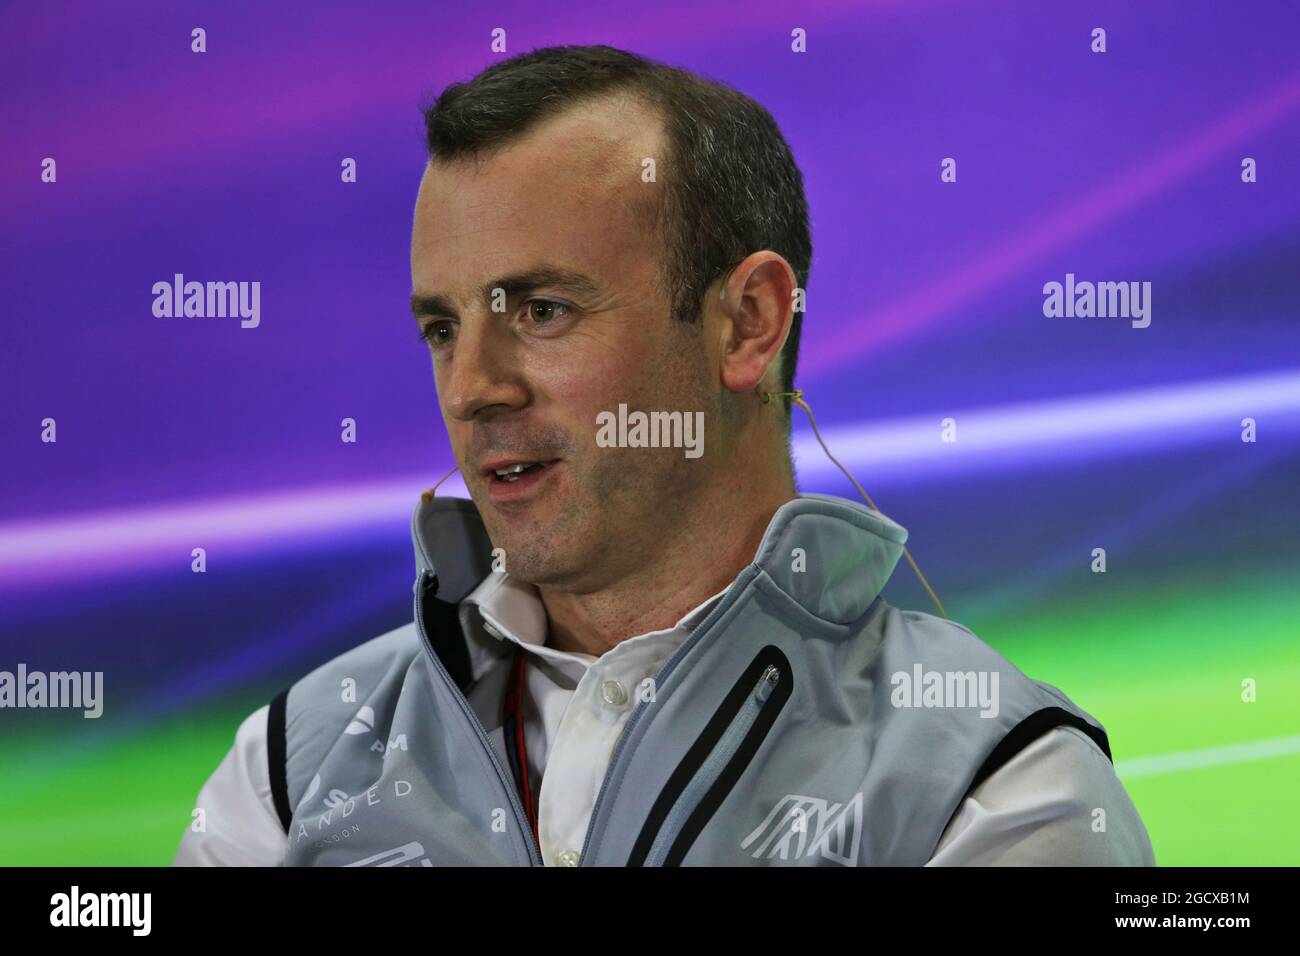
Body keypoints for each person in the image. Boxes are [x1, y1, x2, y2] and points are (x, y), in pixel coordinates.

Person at [174, 45, 1154, 867]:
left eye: (543, 311)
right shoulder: (290, 773)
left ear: (748, 323)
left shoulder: (994, 782)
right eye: (442, 325)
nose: (473, 385)